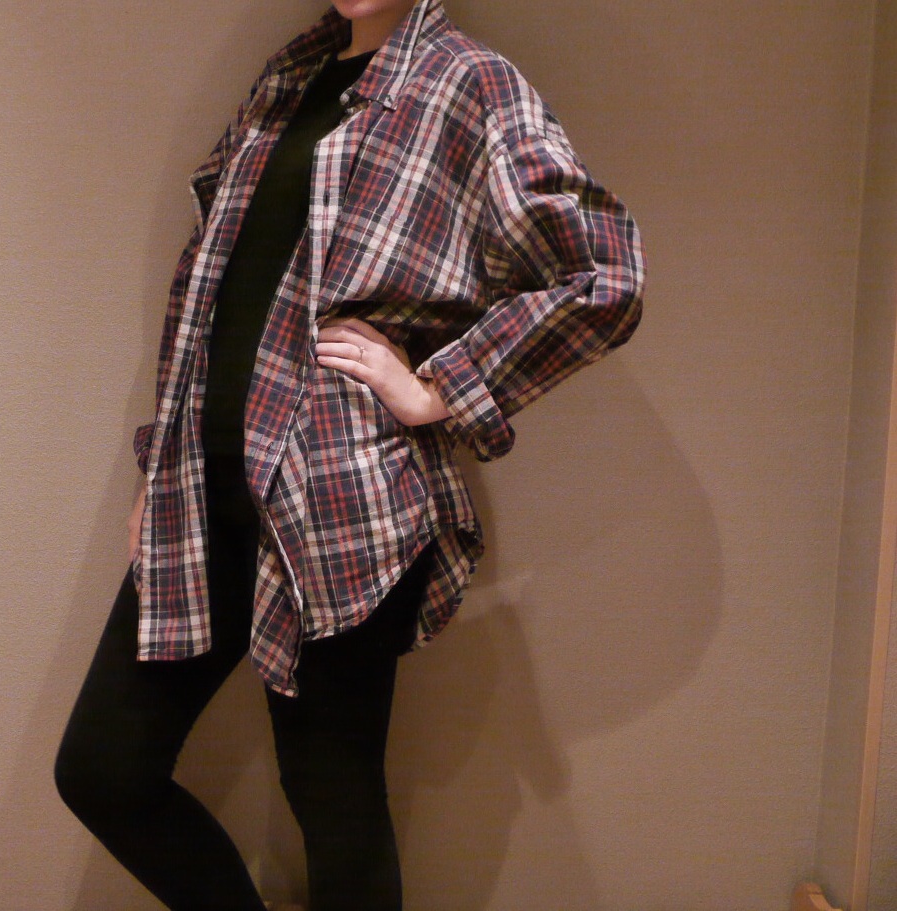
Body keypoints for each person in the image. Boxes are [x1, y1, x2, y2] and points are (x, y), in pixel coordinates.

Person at [54, 0, 644, 908]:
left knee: (334, 804)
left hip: (339, 506)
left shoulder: (467, 82)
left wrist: (438, 387)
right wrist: (158, 472)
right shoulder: (288, 78)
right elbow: (210, 293)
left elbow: (604, 274)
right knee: (102, 769)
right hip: (203, 495)